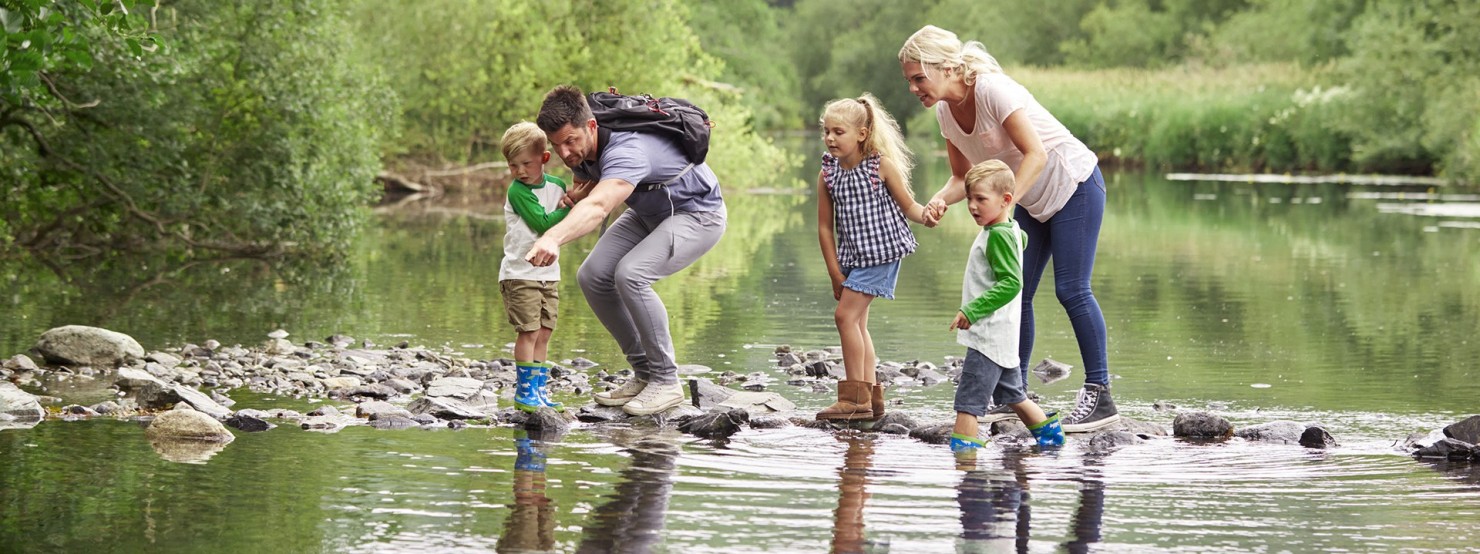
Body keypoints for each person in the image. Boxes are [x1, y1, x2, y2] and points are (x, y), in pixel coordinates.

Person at [900, 25, 1119, 432]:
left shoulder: (991, 90)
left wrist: (1007, 205)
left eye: (918, 78)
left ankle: (1100, 395)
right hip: (1024, 201)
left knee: (1072, 288)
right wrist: (937, 202)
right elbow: (960, 178)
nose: (914, 88)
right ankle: (1012, 392)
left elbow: (1035, 153)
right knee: (1017, 292)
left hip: (1074, 184)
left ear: (946, 68)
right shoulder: (946, 114)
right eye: (909, 80)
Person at [527, 85, 726, 416]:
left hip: (698, 213)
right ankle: (645, 373)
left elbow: (601, 205)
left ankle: (666, 381)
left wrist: (553, 237)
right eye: (556, 144)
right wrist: (578, 193)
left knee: (631, 274)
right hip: (652, 213)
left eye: (570, 141)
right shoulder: (584, 148)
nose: (563, 152)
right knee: (592, 276)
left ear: (591, 126)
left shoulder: (627, 148)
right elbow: (594, 187)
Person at [814, 93, 936, 421]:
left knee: (845, 318)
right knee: (858, 322)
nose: (830, 138)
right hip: (852, 257)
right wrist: (834, 272)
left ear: (862, 134)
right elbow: (825, 229)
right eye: (826, 131)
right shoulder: (828, 174)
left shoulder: (879, 166)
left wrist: (927, 215)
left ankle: (854, 398)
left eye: (838, 132)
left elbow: (909, 206)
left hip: (882, 253)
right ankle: (870, 397)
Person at [947, 160, 1064, 453]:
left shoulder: (997, 235)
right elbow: (1022, 240)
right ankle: (1052, 440)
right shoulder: (1010, 228)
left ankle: (965, 466)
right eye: (970, 198)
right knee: (1013, 394)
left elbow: (1012, 283)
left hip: (988, 336)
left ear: (1006, 200)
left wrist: (971, 310)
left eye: (981, 199)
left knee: (968, 404)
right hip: (1005, 336)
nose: (972, 206)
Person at [499, 122, 570, 413]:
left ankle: (539, 389)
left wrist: (574, 200)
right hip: (520, 274)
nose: (519, 171)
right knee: (527, 332)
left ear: (544, 158)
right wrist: (570, 208)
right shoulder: (518, 191)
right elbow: (542, 224)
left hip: (548, 275)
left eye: (526, 163)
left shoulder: (558, 186)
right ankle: (524, 390)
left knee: (544, 331)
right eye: (512, 165)